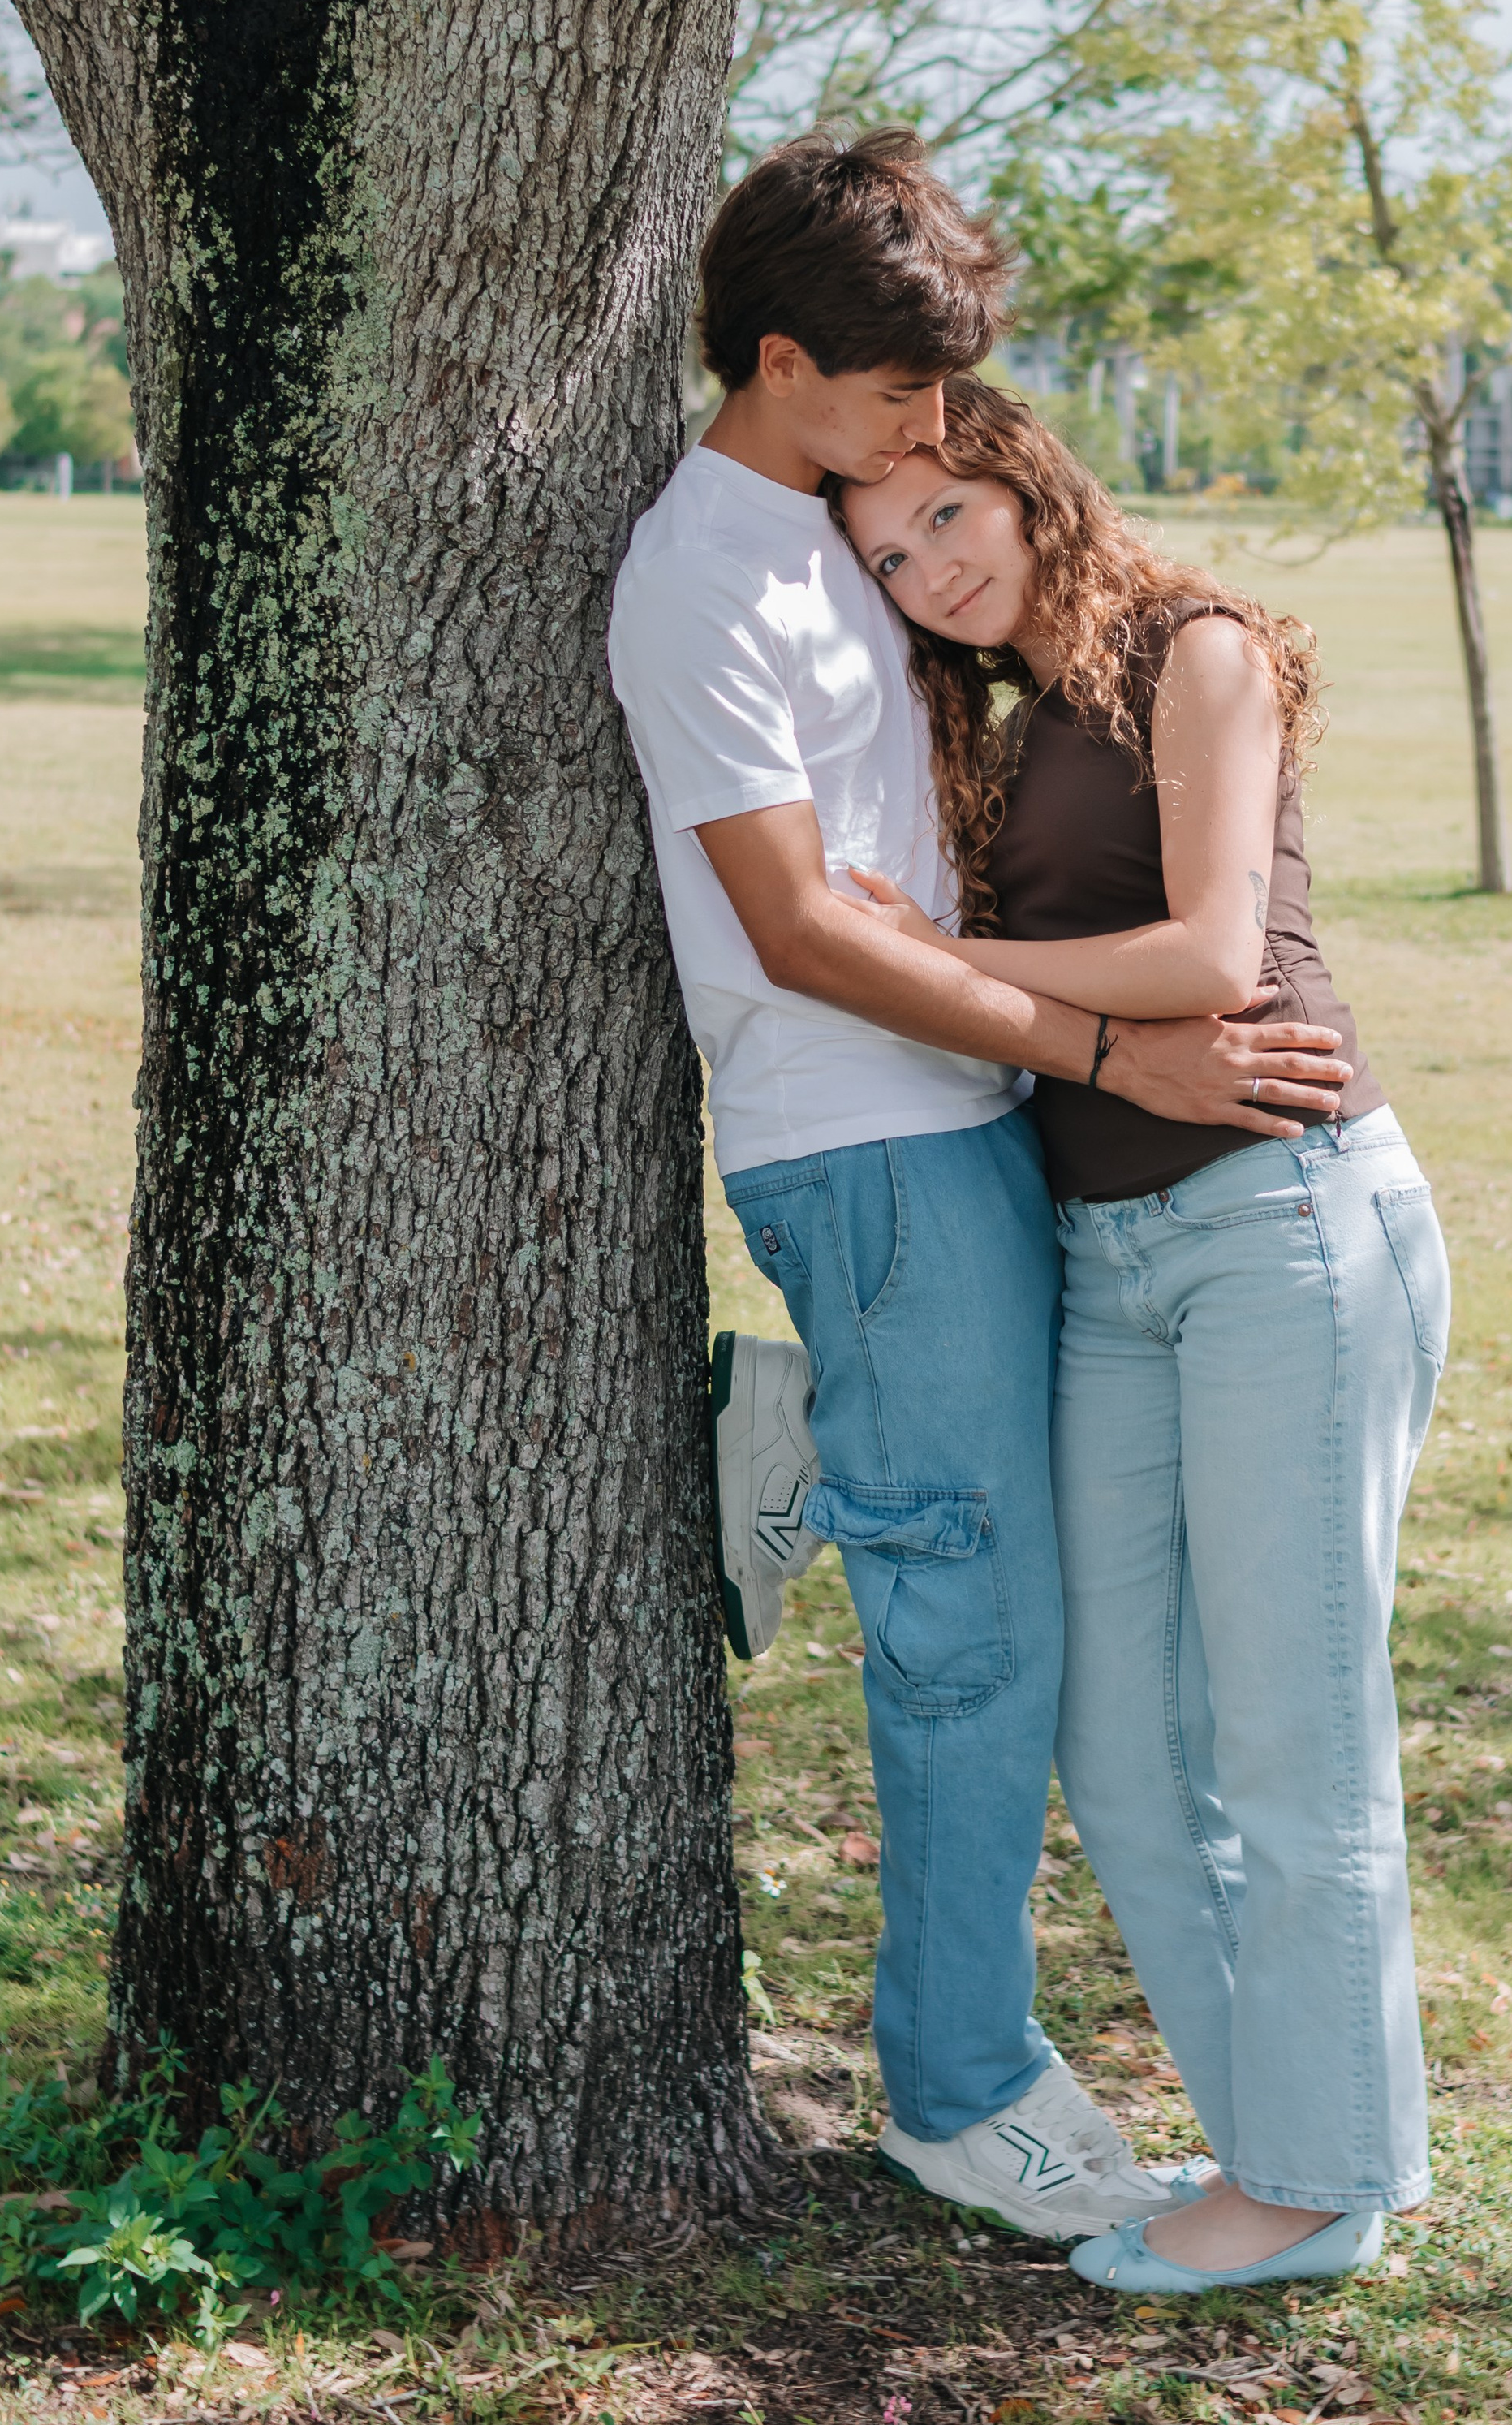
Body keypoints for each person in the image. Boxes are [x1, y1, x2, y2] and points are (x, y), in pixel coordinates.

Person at [607, 131, 1356, 2241]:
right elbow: (797, 929)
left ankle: (800, 1442)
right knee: (976, 1640)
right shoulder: (699, 577)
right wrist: (1127, 1048)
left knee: (1013, 1597)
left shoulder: (830, 533)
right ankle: (953, 2084)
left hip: (966, 1127)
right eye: (902, 401)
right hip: (864, 1135)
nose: (931, 441)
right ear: (783, 363)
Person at [836, 375, 1451, 2297]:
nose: (926, 569)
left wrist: (934, 962)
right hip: (1110, 1262)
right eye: (885, 555)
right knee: (1114, 1744)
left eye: (943, 516)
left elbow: (1206, 960)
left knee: (1291, 1734)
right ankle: (1275, 2137)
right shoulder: (1000, 738)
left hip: (1280, 1223)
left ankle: (1316, 2181)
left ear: (1019, 475)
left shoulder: (1197, 653)